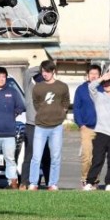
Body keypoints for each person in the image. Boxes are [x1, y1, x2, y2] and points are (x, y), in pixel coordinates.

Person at [83, 71, 110, 191]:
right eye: (105, 83)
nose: (107, 85)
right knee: (97, 159)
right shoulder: (99, 96)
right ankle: (90, 182)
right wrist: (102, 78)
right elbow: (91, 86)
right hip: (101, 132)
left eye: (109, 83)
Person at [29, 60, 70, 191]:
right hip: (40, 126)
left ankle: (53, 183)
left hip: (56, 126)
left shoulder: (62, 86)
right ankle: (33, 183)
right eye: (42, 71)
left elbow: (66, 101)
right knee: (36, 157)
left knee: (56, 156)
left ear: (53, 71)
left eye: (47, 71)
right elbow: (36, 102)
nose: (44, 74)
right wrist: (41, 111)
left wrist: (62, 113)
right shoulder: (38, 87)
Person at [19, 67, 51, 190]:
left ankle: (49, 182)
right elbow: (27, 72)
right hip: (32, 125)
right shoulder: (29, 88)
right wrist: (43, 66)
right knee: (30, 154)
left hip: (46, 125)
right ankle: (24, 182)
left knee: (46, 155)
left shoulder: (49, 90)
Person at [73, 64, 101, 188]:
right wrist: (81, 124)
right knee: (86, 155)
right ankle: (85, 178)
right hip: (87, 128)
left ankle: (94, 180)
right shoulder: (81, 89)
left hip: (102, 128)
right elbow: (76, 108)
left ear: (100, 76)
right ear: (87, 76)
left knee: (98, 157)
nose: (94, 76)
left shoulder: (103, 88)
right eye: (91, 74)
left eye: (96, 74)